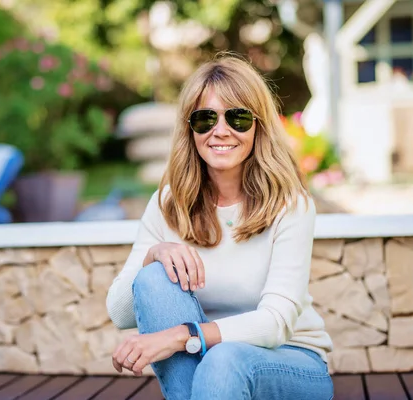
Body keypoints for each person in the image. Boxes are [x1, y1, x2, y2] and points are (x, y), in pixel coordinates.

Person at [106, 53, 334, 400]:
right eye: (205, 118)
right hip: (208, 372)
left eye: (238, 117)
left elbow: (274, 324)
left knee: (223, 358)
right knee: (153, 276)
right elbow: (121, 313)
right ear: (190, 128)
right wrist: (153, 255)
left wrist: (183, 335)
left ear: (258, 126)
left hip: (290, 364)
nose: (221, 131)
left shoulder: (290, 205)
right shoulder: (170, 202)